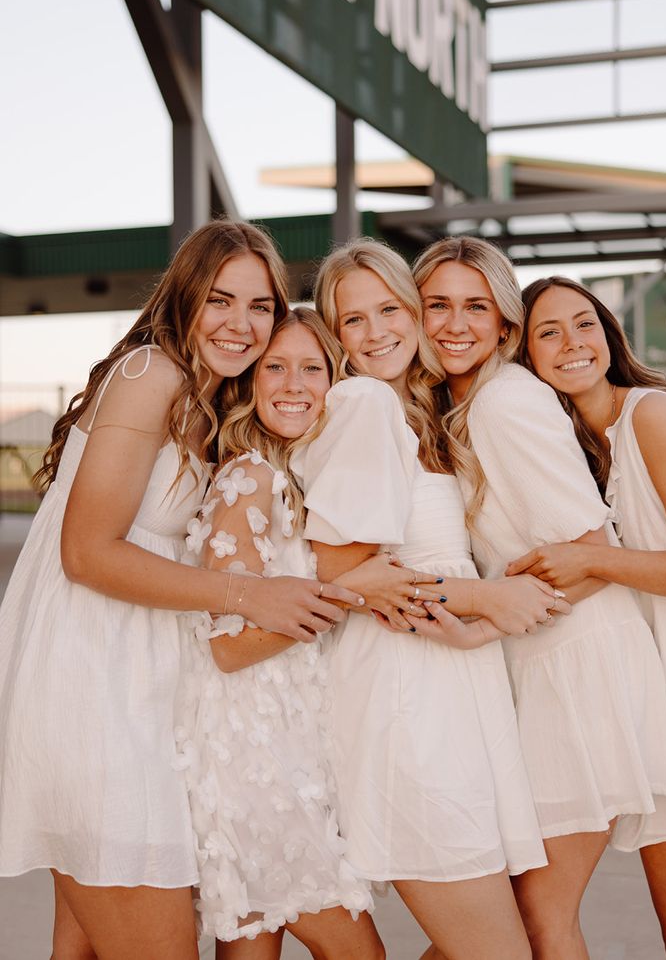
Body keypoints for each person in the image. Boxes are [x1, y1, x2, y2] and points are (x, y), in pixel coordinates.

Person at [0, 221, 362, 960]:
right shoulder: (152, 373)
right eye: (220, 301)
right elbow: (85, 552)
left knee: (80, 948)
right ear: (184, 298)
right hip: (96, 686)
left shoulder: (210, 395)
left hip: (141, 685)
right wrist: (250, 597)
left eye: (260, 306)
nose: (241, 323)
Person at [295, 238, 569, 960]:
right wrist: (486, 598)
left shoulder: (411, 411)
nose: (377, 330)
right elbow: (340, 569)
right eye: (352, 321)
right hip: (406, 701)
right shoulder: (359, 404)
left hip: (446, 690)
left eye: (390, 309)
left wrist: (482, 614)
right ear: (334, 335)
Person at [413, 236, 666, 960]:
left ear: (504, 325)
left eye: (477, 307)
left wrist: (485, 620)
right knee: (503, 922)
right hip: (545, 667)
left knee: (536, 921)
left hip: (582, 670)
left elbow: (596, 554)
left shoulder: (506, 403)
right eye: (438, 305)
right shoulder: (458, 407)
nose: (455, 324)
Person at [510, 275, 666, 960]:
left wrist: (599, 562)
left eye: (585, 324)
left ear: (610, 335)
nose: (572, 342)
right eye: (548, 331)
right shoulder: (569, 454)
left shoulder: (652, 415)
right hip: (657, 712)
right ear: (524, 357)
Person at [175, 307, 390, 959]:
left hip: (285, 751)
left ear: (337, 384)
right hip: (253, 762)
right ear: (251, 381)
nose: (294, 384)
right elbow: (228, 646)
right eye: (276, 366)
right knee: (357, 952)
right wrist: (350, 593)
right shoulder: (249, 479)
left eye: (312, 369)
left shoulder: (293, 482)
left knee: (253, 945)